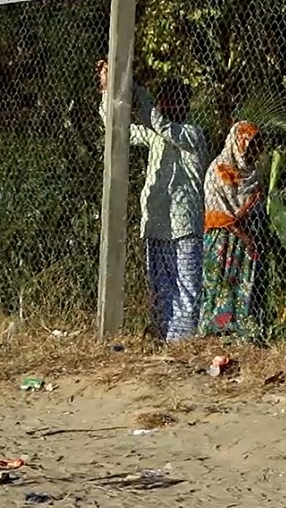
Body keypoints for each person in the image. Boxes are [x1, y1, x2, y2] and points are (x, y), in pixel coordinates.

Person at [96, 60, 208, 342]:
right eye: (164, 101)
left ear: (185, 104)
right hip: (157, 223)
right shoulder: (154, 137)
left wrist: (136, 89)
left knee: (187, 286)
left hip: (184, 225)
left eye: (173, 101)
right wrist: (108, 89)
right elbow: (116, 129)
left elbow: (157, 122)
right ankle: (162, 337)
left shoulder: (192, 134)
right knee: (160, 286)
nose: (168, 106)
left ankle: (183, 342)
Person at [199, 121, 269, 343]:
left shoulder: (253, 174)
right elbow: (219, 210)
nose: (254, 151)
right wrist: (245, 237)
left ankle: (242, 328)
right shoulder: (218, 170)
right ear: (237, 144)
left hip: (250, 235)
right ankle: (215, 329)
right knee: (219, 282)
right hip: (223, 237)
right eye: (250, 145)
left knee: (246, 282)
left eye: (258, 145)